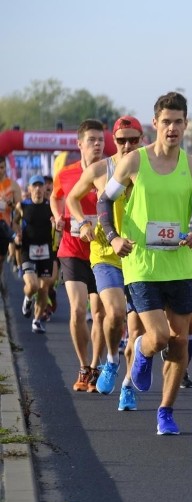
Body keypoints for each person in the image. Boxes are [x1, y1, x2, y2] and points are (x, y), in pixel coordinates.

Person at [99, 92, 192, 435]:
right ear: (155, 124)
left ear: (185, 125)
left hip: (180, 264)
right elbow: (104, 201)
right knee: (159, 336)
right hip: (142, 264)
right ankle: (144, 354)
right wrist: (114, 237)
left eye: (178, 122)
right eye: (166, 122)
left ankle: (166, 411)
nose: (172, 128)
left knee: (179, 340)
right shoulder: (134, 162)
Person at [67, 116, 144, 396]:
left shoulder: (149, 168)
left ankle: (127, 386)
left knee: (138, 332)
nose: (126, 145)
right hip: (105, 253)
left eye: (132, 140)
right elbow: (71, 198)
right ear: (114, 140)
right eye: (121, 140)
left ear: (142, 139)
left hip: (140, 257)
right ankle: (111, 361)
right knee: (114, 312)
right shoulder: (102, 170)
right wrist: (84, 223)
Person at [51, 119, 107, 393]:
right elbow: (56, 196)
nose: (98, 144)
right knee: (77, 309)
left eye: (101, 140)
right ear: (80, 144)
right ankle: (83, 367)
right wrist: (56, 215)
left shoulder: (112, 171)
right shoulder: (67, 173)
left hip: (102, 251)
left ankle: (96, 367)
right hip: (72, 248)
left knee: (101, 313)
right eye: (92, 140)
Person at [16, 175, 55, 333]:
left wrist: (56, 223)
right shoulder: (22, 205)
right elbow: (14, 221)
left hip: (46, 250)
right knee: (32, 286)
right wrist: (16, 233)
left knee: (44, 288)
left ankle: (37, 321)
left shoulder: (50, 205)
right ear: (30, 188)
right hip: (28, 250)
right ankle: (28, 298)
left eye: (41, 185)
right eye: (35, 185)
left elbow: (59, 220)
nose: (38, 188)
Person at [0, 156, 22, 270]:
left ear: (5, 168)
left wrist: (11, 205)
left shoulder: (13, 185)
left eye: (2, 167)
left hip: (5, 225)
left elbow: (20, 209)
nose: (0, 170)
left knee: (1, 258)